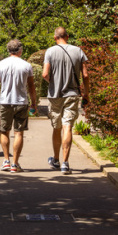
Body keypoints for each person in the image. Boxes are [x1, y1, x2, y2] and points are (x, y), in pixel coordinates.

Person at [42, 27, 89, 174]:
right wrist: (86, 93)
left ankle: (56, 159)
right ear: (67, 36)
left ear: (55, 38)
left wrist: (52, 82)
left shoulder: (50, 51)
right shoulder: (78, 51)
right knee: (67, 126)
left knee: (56, 127)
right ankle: (65, 163)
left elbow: (44, 74)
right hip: (72, 93)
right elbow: (86, 75)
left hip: (55, 95)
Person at [0, 38, 38, 173]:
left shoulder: (1, 64)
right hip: (21, 102)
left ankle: (6, 161)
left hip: (5, 102)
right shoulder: (26, 65)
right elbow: (31, 87)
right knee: (18, 133)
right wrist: (34, 103)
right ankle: (15, 164)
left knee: (4, 131)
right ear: (20, 50)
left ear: (8, 50)